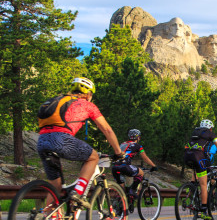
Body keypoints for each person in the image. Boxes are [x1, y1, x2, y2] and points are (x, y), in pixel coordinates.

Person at [37, 77, 123, 208]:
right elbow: (107, 129)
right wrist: (118, 152)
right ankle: (77, 193)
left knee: (56, 187)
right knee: (93, 157)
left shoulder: (55, 100)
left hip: (42, 141)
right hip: (61, 139)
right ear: (88, 94)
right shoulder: (87, 105)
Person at [184, 119, 217, 219]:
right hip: (199, 158)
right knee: (203, 183)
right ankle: (203, 210)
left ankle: (190, 193)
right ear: (210, 128)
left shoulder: (195, 133)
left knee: (196, 176)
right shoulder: (211, 135)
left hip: (187, 156)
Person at [112, 129, 157, 211]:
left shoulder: (122, 144)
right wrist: (153, 166)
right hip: (125, 166)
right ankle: (132, 191)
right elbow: (145, 158)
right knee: (141, 173)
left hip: (115, 167)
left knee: (122, 190)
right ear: (138, 137)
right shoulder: (138, 146)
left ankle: (120, 205)